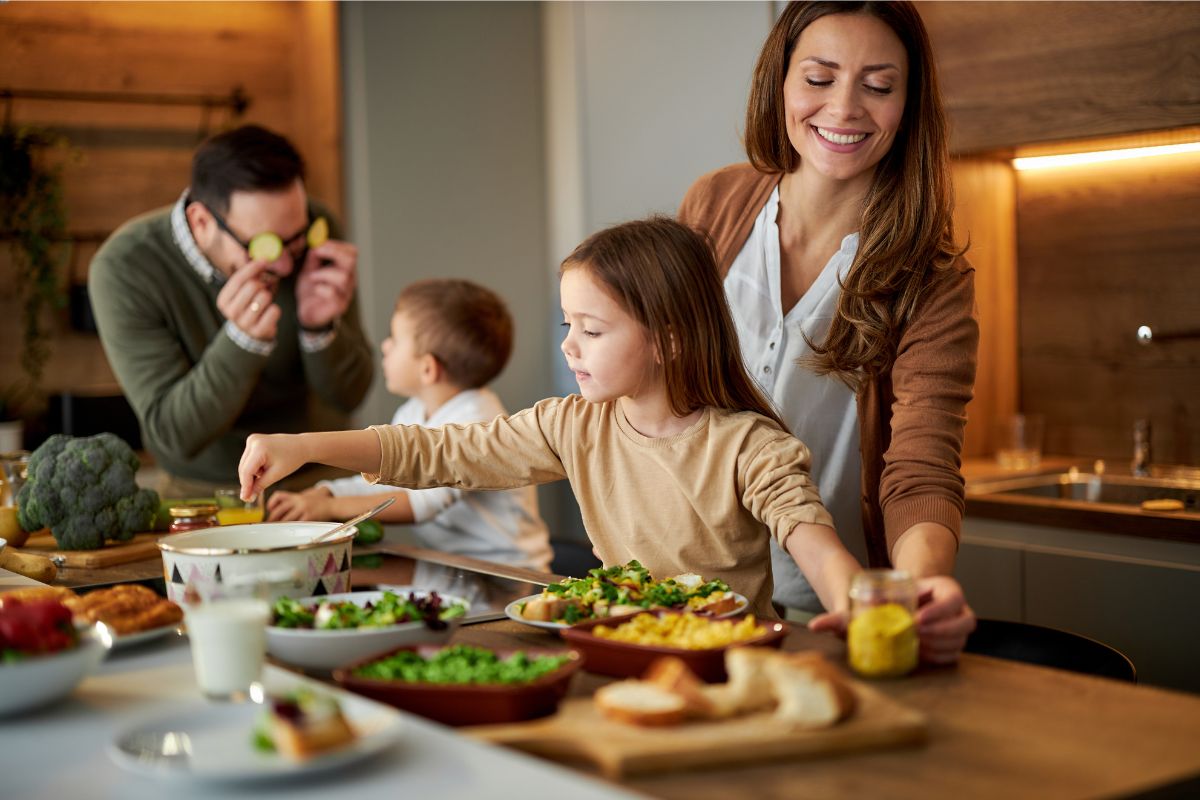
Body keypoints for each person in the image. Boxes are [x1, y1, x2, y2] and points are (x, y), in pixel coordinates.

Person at [238, 217, 864, 619]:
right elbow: (436, 453)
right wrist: (302, 445)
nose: (569, 346)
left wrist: (855, 609)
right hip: (618, 644)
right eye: (570, 325)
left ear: (669, 340)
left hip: (724, 663)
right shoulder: (572, 426)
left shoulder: (748, 447)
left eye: (591, 330)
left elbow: (811, 538)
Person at [678, 1, 977, 662]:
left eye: (878, 86)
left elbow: (921, 468)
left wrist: (921, 588)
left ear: (909, 104)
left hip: (824, 612)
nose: (844, 109)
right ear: (779, 83)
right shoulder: (714, 208)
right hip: (681, 595)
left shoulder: (931, 275)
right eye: (818, 79)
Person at [89, 125, 374, 497]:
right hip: (205, 495)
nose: (288, 265)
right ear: (202, 222)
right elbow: (174, 435)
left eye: (296, 240)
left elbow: (350, 396)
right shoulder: (125, 267)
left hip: (319, 486)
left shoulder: (312, 227)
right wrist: (242, 341)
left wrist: (319, 330)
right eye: (265, 245)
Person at [267, 278, 553, 571]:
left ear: (428, 368)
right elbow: (386, 476)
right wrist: (327, 492)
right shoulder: (414, 411)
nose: (385, 346)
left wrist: (328, 508)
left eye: (395, 338)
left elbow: (421, 504)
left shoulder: (478, 420)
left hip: (507, 572)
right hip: (452, 567)